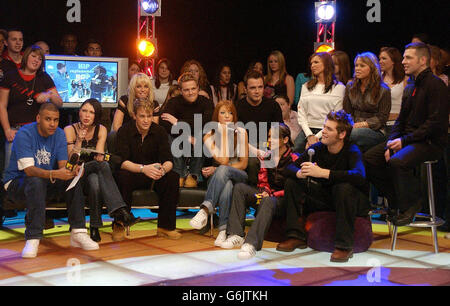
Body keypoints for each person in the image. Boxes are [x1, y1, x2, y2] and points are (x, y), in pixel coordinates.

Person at [364, 42, 448, 226]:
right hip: (410, 140)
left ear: (423, 60)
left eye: (408, 57)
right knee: (369, 159)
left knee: (397, 161)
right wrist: (392, 140)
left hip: (430, 142)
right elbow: (401, 119)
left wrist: (404, 141)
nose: (403, 61)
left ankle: (412, 203)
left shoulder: (436, 85)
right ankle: (396, 200)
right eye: (403, 57)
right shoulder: (410, 84)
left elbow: (434, 124)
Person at [3, 103, 99, 258]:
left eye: (56, 120)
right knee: (36, 181)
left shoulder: (59, 134)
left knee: (71, 179)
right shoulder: (25, 133)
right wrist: (56, 173)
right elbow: (29, 170)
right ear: (38, 118)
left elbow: (62, 167)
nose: (53, 124)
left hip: (44, 180)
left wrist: (71, 171)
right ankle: (33, 236)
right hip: (17, 182)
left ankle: (78, 232)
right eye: (48, 119)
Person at [277, 110, 370, 262]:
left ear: (342, 134)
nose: (323, 132)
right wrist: (299, 173)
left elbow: (360, 176)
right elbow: (290, 168)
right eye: (324, 127)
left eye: (329, 129)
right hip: (327, 199)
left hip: (351, 201)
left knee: (343, 187)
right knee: (292, 182)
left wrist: (324, 173)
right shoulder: (318, 147)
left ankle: (344, 246)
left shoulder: (352, 150)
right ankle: (295, 236)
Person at [221, 124, 297, 260]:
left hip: (283, 201)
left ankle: (251, 244)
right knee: (240, 188)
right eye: (268, 137)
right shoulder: (267, 156)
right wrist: (265, 191)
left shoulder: (294, 159)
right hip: (267, 196)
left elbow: (293, 188)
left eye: (273, 137)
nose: (269, 140)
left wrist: (271, 194)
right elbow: (263, 181)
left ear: (285, 140)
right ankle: (236, 234)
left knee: (268, 200)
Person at [64, 99, 134, 242]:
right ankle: (120, 211)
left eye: (91, 112)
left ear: (96, 115)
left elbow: (99, 157)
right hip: (75, 173)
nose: (87, 115)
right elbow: (70, 162)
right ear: (79, 112)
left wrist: (99, 156)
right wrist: (79, 141)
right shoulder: (69, 130)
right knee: (101, 168)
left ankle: (94, 227)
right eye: (84, 111)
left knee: (96, 180)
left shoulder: (101, 129)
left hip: (94, 170)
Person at [115, 98, 181, 239]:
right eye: (142, 116)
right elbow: (121, 162)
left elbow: (168, 160)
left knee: (172, 177)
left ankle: (165, 227)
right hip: (133, 172)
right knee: (122, 176)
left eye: (149, 116)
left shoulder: (159, 131)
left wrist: (162, 170)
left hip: (153, 173)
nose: (146, 120)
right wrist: (143, 168)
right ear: (134, 116)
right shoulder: (124, 131)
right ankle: (119, 224)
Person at [189, 100, 249, 246]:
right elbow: (223, 159)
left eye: (230, 113)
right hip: (219, 179)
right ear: (217, 117)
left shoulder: (241, 132)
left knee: (223, 171)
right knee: (226, 185)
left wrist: (220, 169)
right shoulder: (208, 136)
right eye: (223, 113)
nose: (227, 116)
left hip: (239, 175)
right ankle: (223, 231)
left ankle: (205, 209)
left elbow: (243, 164)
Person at [0, 45, 63, 171]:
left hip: (37, 131)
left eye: (39, 59)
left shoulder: (44, 77)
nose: (36, 61)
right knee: (10, 170)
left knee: (37, 171)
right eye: (33, 56)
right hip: (15, 130)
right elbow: (2, 105)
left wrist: (49, 95)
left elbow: (59, 103)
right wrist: (7, 130)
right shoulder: (10, 76)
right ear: (25, 57)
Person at [159, 72, 214, 187]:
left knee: (204, 134)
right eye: (186, 90)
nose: (190, 92)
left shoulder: (206, 102)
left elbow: (207, 122)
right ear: (180, 90)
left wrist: (178, 122)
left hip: (199, 141)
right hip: (180, 140)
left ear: (198, 88)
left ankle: (193, 175)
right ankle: (180, 174)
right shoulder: (174, 102)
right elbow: (164, 124)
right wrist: (187, 136)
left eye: (193, 89)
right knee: (169, 136)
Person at [235, 70, 283, 186]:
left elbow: (279, 132)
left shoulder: (273, 105)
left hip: (268, 145)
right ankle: (252, 194)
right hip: (245, 146)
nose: (257, 91)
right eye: (252, 88)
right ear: (245, 89)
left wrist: (268, 149)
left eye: (260, 87)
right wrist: (254, 150)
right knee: (252, 162)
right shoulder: (238, 106)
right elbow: (236, 135)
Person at [295, 52, 346, 152]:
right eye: (311, 63)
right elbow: (301, 113)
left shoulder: (339, 88)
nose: (312, 66)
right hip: (307, 129)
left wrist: (317, 137)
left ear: (326, 64)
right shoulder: (306, 86)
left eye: (316, 62)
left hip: (328, 129)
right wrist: (309, 135)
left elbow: (336, 115)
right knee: (298, 148)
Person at [343, 52, 391, 153]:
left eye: (362, 66)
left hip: (376, 130)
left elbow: (382, 118)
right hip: (353, 126)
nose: (357, 68)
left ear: (372, 68)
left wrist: (362, 124)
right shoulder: (350, 86)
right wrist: (351, 124)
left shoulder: (383, 90)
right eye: (356, 65)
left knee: (351, 134)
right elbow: (347, 111)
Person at [379, 47, 408, 126]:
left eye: (384, 58)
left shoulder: (405, 79)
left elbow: (408, 104)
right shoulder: (377, 78)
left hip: (397, 122)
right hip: (379, 122)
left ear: (393, 61)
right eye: (380, 59)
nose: (380, 61)